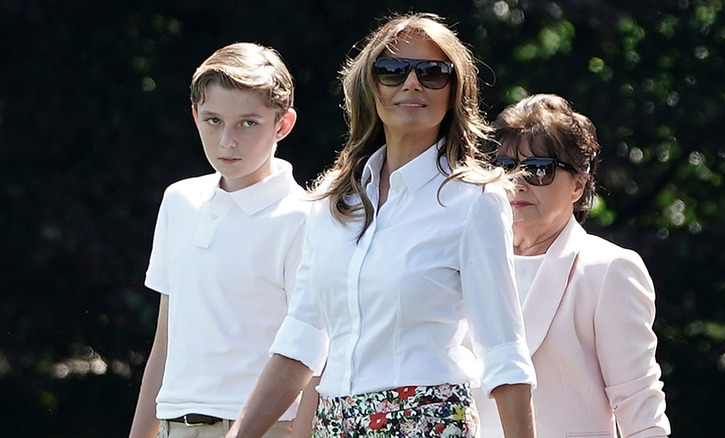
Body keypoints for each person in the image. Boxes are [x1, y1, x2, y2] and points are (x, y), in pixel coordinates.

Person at [227, 12, 537, 438]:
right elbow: (300, 340)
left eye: (432, 73)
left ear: (455, 91)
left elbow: (503, 350)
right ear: (370, 87)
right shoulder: (332, 204)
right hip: (334, 422)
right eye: (392, 70)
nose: (411, 83)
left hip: (428, 420)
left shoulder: (475, 203)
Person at [128, 42, 309, 438]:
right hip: (175, 425)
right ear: (195, 117)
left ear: (283, 124)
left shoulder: (307, 216)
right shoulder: (179, 201)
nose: (228, 140)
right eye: (213, 120)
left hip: (269, 428)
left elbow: (314, 354)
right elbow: (165, 341)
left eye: (248, 123)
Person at [481, 93, 671, 437]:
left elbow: (639, 404)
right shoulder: (468, 265)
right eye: (505, 167)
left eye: (539, 169)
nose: (518, 181)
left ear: (578, 184)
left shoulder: (609, 270)